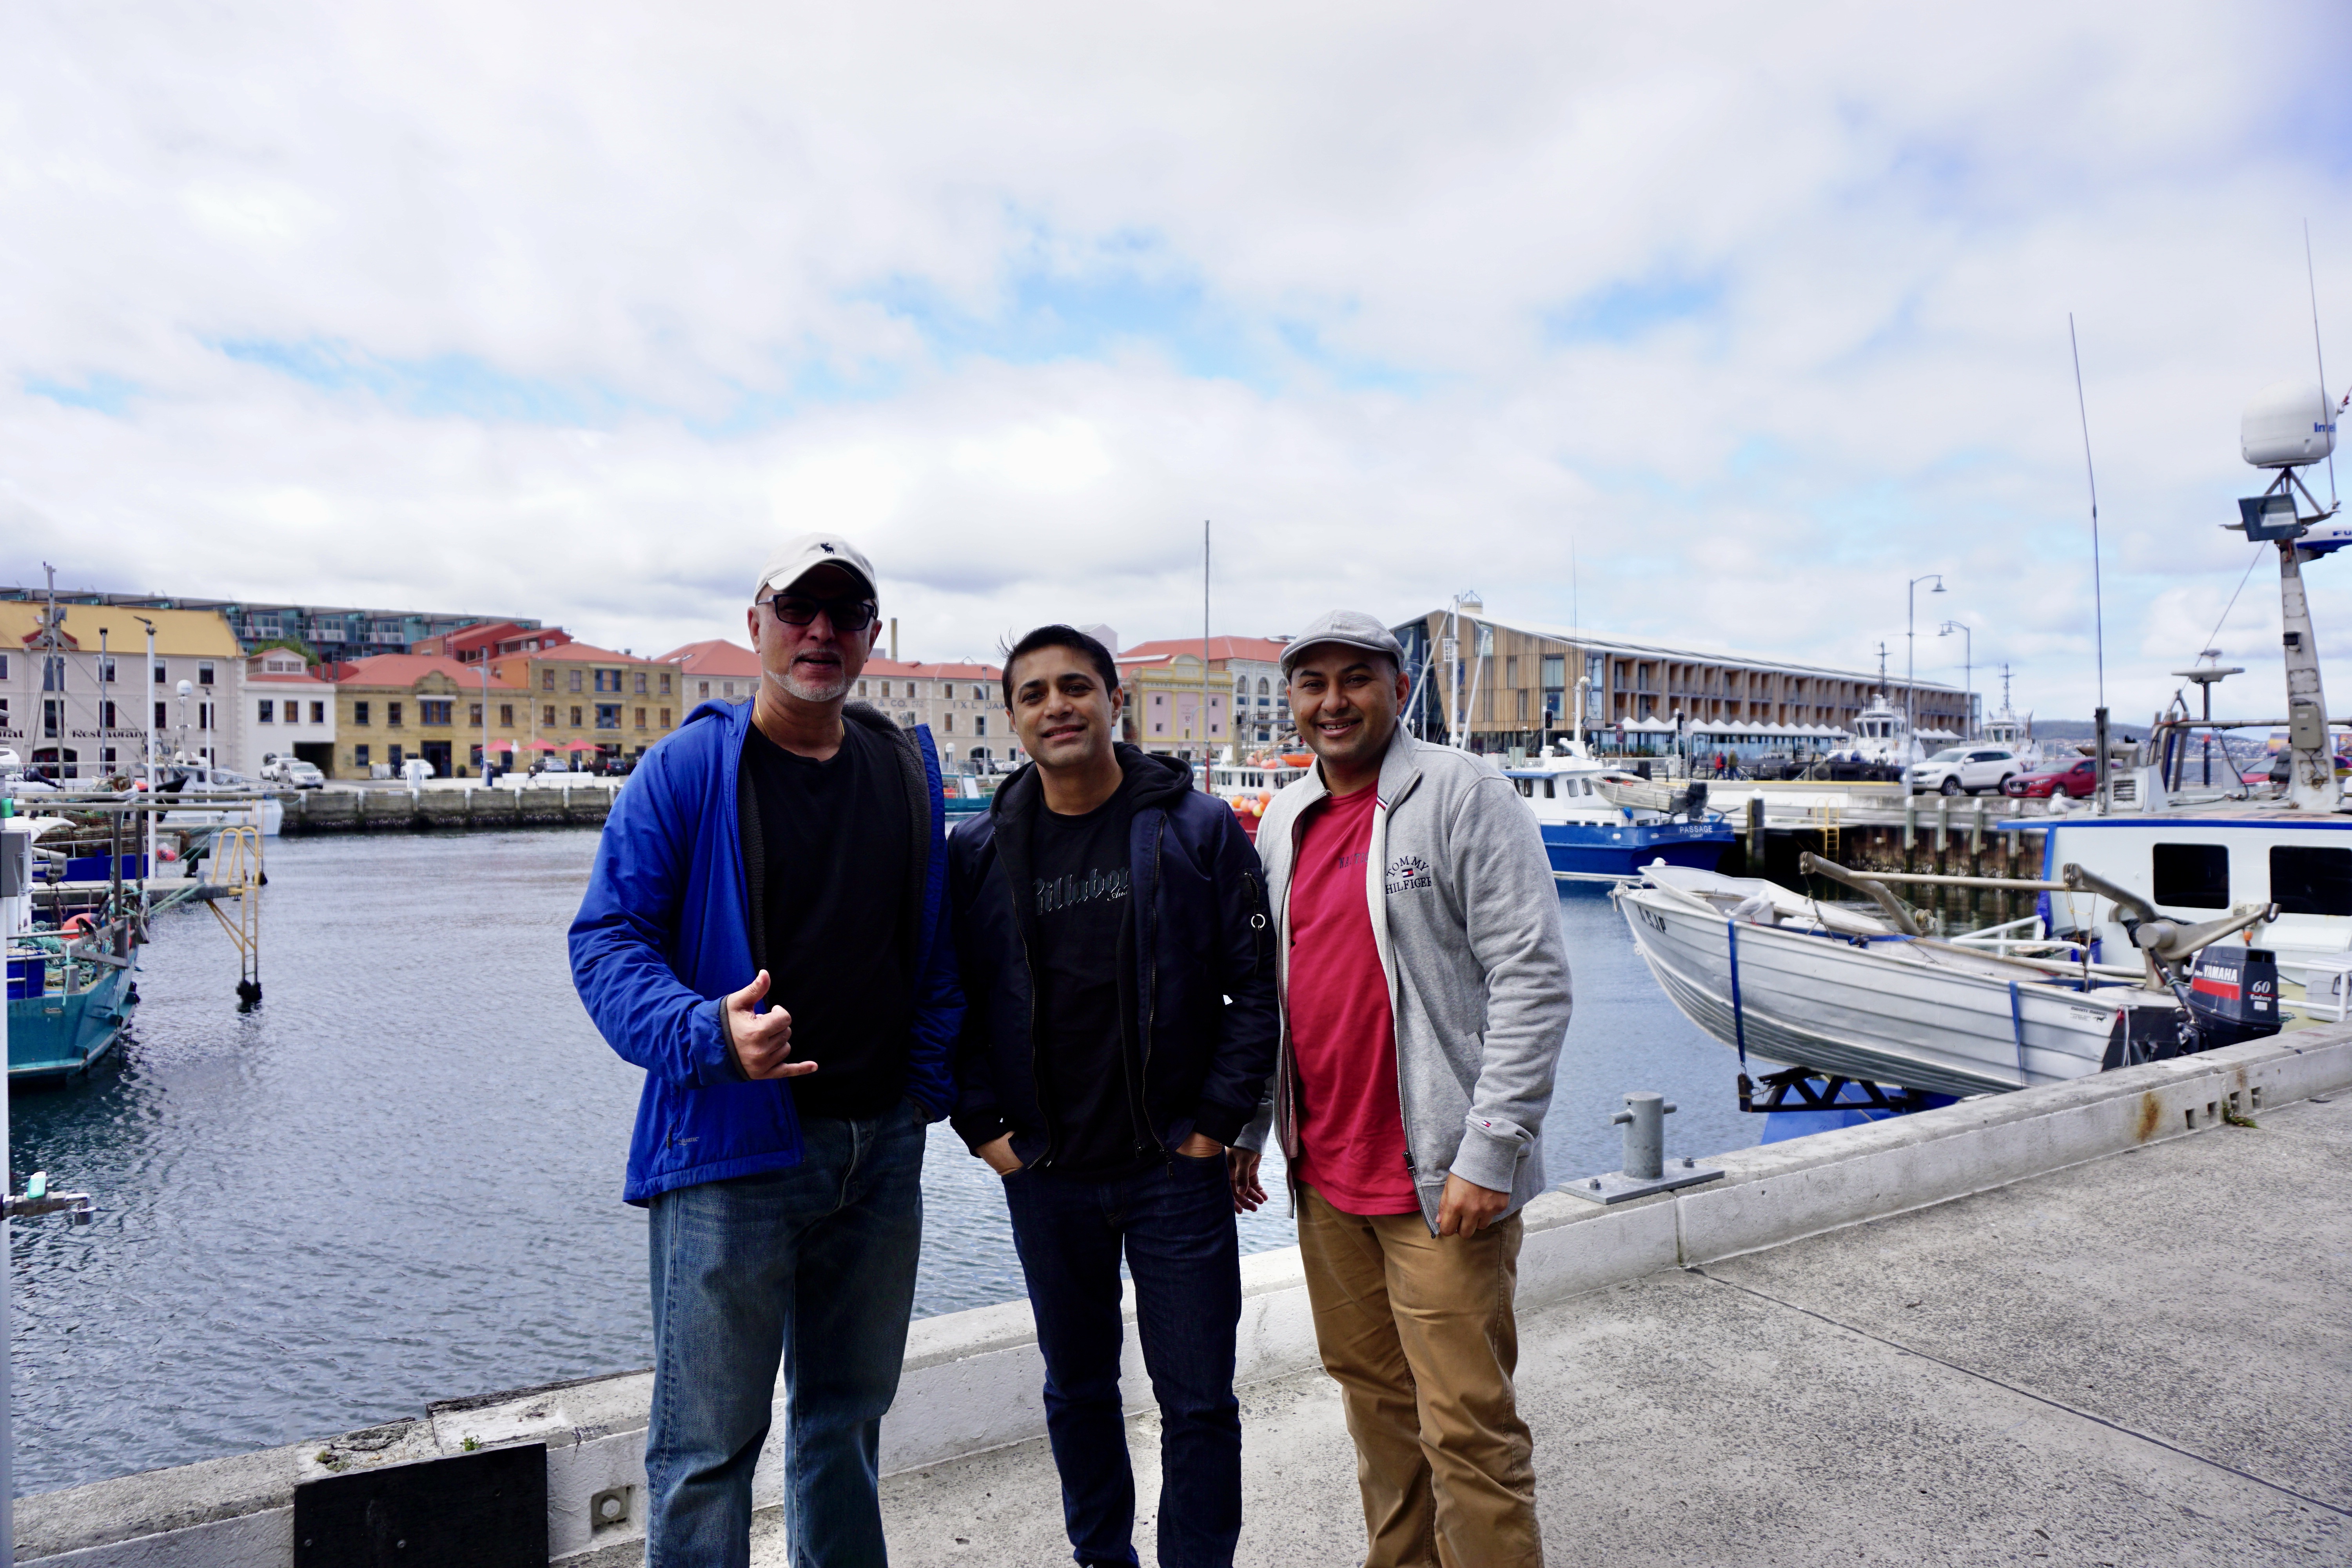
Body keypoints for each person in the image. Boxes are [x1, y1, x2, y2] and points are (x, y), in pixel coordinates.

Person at [570, 533, 961, 1568]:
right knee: (706, 1448)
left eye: (846, 612)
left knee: (846, 1424)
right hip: (731, 1155)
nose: (820, 630)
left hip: (879, 1153)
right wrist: (709, 1034)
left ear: (872, 635)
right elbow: (606, 942)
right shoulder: (686, 770)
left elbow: (932, 946)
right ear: (757, 624)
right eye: (798, 609)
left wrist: (922, 1091)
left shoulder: (903, 768)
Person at [1232, 610, 1573, 1568]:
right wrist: (1253, 1129)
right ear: (1293, 699)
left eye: (1356, 677)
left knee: (1467, 1425)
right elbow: (1272, 989)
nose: (1333, 701)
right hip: (1325, 1175)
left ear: (1398, 686)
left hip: (1442, 1179)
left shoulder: (1464, 794)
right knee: (1376, 1408)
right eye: (1313, 683)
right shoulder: (1286, 819)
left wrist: (1492, 1147)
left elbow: (1533, 977)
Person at [948, 625, 1278, 1568]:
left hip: (1173, 1168)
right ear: (1013, 717)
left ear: (1113, 700)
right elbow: (951, 998)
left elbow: (1255, 986)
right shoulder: (979, 850)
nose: (1058, 705)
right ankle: (1102, 1556)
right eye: (1035, 692)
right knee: (1079, 1390)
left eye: (1077, 686)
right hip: (1046, 1172)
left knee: (1199, 1401)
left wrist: (1214, 1125)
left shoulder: (1197, 827)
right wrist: (984, 1130)